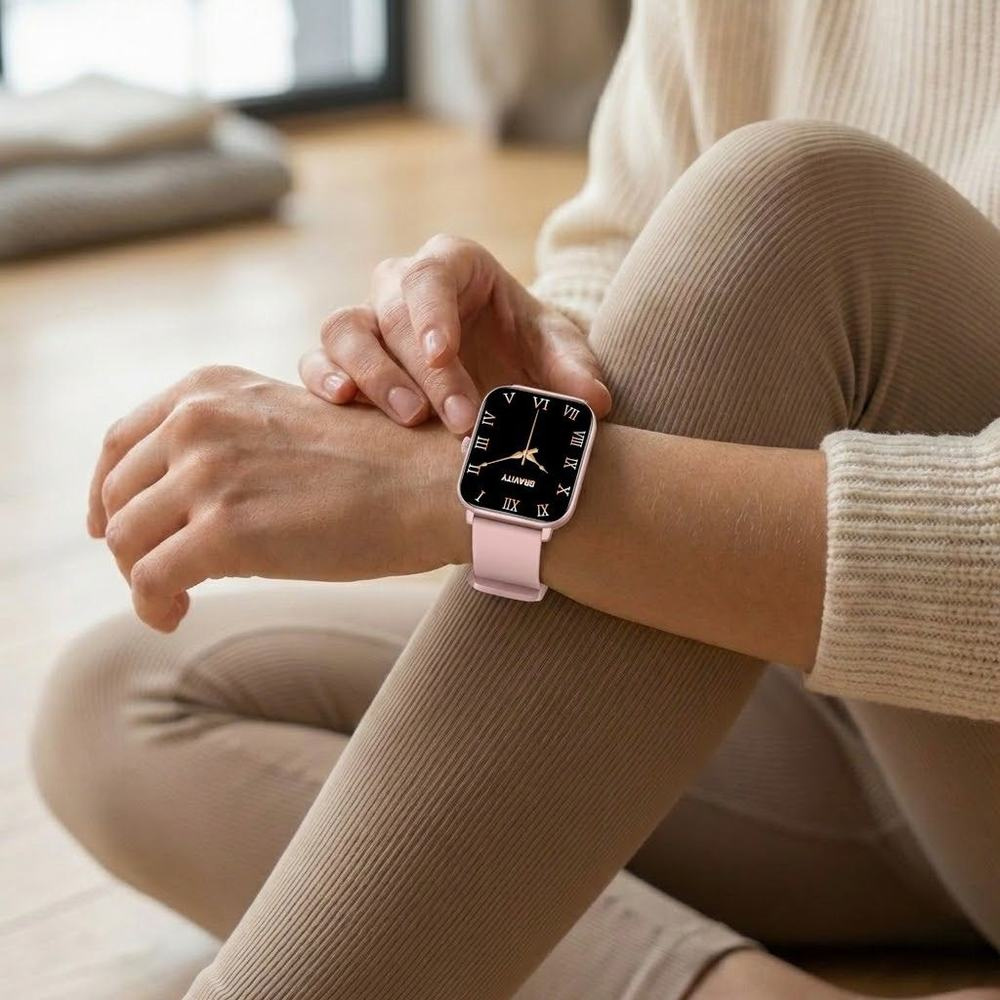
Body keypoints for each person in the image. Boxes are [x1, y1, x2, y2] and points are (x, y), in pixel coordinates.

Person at [31, 2, 999, 998]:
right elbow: (630, 245)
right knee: (121, 696)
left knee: (803, 206)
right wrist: (522, 362)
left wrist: (465, 482)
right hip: (819, 705)